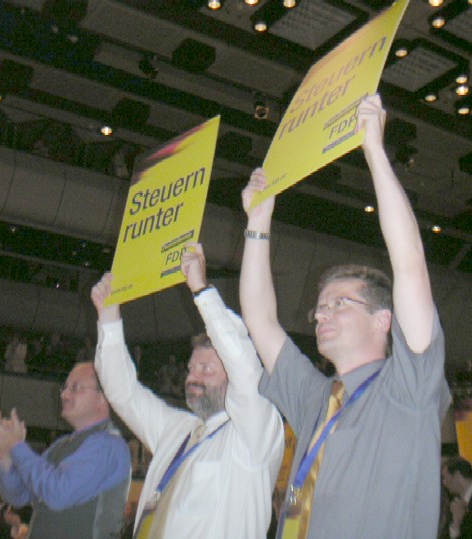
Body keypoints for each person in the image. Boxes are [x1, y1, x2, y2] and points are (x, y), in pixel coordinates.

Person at [240, 94, 451, 539]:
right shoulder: (316, 398)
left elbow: (410, 263)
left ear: (383, 320)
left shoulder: (408, 388)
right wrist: (258, 223)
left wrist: (374, 151)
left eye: (340, 304)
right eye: (320, 307)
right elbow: (260, 321)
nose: (321, 315)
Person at [90, 242, 284, 539]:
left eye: (207, 369)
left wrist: (202, 291)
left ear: (231, 376)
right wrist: (109, 319)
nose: (193, 377)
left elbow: (246, 369)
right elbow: (122, 392)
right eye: (192, 369)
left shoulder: (254, 437)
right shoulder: (179, 430)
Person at [0, 361, 131, 539]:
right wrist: (4, 454)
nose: (64, 395)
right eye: (64, 387)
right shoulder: (60, 446)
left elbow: (58, 493)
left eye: (75, 387)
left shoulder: (109, 445)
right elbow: (18, 495)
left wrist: (16, 445)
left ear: (104, 397)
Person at [442, 457, 472, 538]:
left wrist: (457, 523)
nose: (444, 483)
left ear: (457, 475)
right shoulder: (454, 503)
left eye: (445, 477)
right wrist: (456, 523)